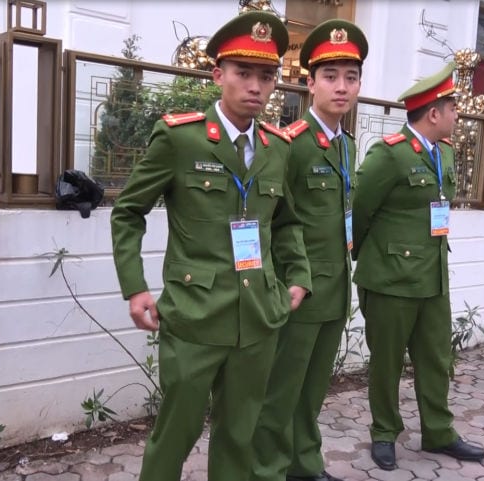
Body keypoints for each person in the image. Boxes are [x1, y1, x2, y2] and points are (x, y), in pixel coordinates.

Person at [110, 11, 311, 481]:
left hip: (257, 316)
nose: (255, 86)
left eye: (266, 76)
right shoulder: (181, 138)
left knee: (239, 435)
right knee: (176, 431)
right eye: (243, 73)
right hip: (195, 315)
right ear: (218, 74)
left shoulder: (278, 147)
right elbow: (128, 211)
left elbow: (286, 222)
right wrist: (135, 288)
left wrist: (298, 277)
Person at [351, 62, 484, 471]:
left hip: (433, 276)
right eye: (453, 108)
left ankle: (439, 432)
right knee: (387, 362)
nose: (457, 114)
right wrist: (373, 257)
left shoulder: (444, 151)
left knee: (436, 359)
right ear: (433, 113)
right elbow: (360, 210)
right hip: (391, 278)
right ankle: (384, 433)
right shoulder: (389, 154)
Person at [250, 19, 368, 481]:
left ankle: (304, 463)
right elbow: (278, 221)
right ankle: (267, 470)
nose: (341, 87)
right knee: (281, 390)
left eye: (351, 77)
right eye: (330, 76)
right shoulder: (291, 145)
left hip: (334, 288)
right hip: (298, 291)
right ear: (310, 83)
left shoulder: (345, 146)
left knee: (313, 388)